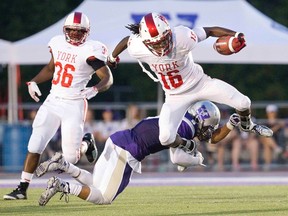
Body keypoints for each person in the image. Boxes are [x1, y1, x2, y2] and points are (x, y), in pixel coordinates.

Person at [107, 12, 273, 152]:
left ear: (169, 33)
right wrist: (112, 57)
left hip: (200, 83)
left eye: (164, 39)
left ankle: (246, 124)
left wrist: (235, 35)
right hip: (175, 96)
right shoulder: (138, 46)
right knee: (165, 138)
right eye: (156, 43)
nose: (162, 45)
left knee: (244, 102)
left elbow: (209, 31)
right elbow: (126, 41)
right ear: (146, 42)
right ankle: (188, 144)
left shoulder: (182, 37)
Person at [35, 101, 241, 205]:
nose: (208, 130)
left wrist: (230, 126)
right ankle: (61, 185)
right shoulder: (186, 128)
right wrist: (197, 159)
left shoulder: (180, 117)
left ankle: (64, 165)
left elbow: (209, 138)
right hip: (128, 152)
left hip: (118, 139)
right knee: (104, 197)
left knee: (96, 184)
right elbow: (177, 157)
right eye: (209, 125)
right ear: (202, 119)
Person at [3, 12, 113, 200]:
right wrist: (33, 81)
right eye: (71, 30)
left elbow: (107, 78)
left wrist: (94, 89)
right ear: (65, 30)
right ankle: (22, 188)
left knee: (70, 158)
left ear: (87, 32)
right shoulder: (57, 43)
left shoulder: (91, 49)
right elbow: (50, 68)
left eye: (79, 31)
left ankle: (86, 143)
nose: (75, 34)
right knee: (35, 143)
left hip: (74, 103)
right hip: (53, 100)